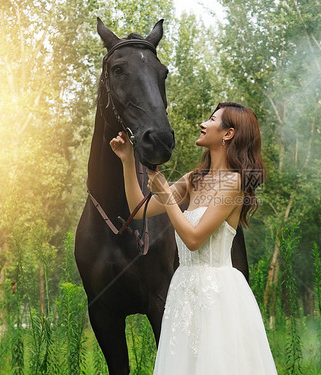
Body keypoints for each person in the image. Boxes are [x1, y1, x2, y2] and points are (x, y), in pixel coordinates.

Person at [110, 101, 277, 374]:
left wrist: (166, 196)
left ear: (228, 134)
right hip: (183, 291)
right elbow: (138, 209)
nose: (203, 124)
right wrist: (128, 161)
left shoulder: (233, 183)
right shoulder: (193, 179)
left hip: (219, 295)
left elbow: (194, 238)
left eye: (212, 119)